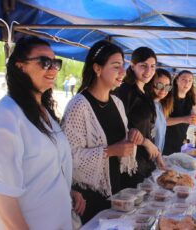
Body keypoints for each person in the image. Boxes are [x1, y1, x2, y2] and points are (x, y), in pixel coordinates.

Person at [0, 36, 85, 229]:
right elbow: (2, 195)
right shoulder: (5, 115)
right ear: (20, 66)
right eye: (45, 62)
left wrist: (65, 190)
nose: (53, 69)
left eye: (56, 63)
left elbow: (43, 169)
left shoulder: (44, 113)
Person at [61, 40, 143, 223]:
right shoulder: (79, 106)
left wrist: (132, 134)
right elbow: (68, 157)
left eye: (123, 66)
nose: (122, 71)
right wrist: (111, 151)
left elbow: (122, 139)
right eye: (115, 66)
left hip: (115, 190)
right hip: (88, 197)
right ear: (97, 69)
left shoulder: (117, 103)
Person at [114, 47, 164, 188]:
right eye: (143, 66)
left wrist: (156, 152)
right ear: (132, 65)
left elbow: (149, 127)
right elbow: (120, 128)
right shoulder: (125, 91)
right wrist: (146, 142)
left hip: (146, 161)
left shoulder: (147, 92)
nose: (148, 71)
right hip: (130, 163)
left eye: (152, 66)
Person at [163, 70, 196, 155]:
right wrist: (184, 119)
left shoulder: (192, 98)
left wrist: (195, 118)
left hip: (181, 140)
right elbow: (163, 121)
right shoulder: (168, 96)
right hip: (165, 141)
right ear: (177, 80)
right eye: (184, 79)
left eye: (190, 80)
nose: (187, 83)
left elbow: (194, 114)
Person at [148, 68, 173, 152]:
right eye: (159, 85)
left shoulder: (160, 105)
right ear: (151, 84)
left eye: (167, 87)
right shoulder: (147, 105)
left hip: (157, 155)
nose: (163, 90)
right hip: (147, 156)